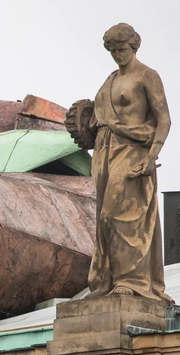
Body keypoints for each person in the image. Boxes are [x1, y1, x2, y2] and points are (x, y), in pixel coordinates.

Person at [67, 23, 174, 303]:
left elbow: (164, 119)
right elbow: (96, 118)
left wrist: (152, 156)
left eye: (122, 49)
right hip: (104, 151)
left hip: (132, 150)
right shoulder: (110, 79)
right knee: (104, 219)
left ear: (134, 46)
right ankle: (107, 281)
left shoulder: (147, 76)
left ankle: (133, 281)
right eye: (113, 51)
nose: (118, 55)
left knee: (123, 214)